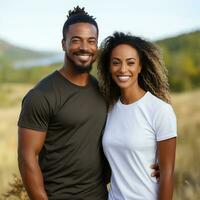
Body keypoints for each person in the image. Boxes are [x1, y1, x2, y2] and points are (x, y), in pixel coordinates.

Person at [18, 7, 159, 200]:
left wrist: (151, 162)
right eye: (76, 40)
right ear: (63, 44)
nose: (84, 47)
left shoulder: (105, 91)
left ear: (97, 47)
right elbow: (27, 159)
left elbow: (126, 134)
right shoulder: (42, 95)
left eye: (91, 41)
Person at [98, 32, 177, 200]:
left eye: (130, 63)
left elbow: (167, 175)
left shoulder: (160, 110)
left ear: (140, 67)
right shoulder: (109, 108)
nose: (123, 69)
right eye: (116, 63)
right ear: (109, 67)